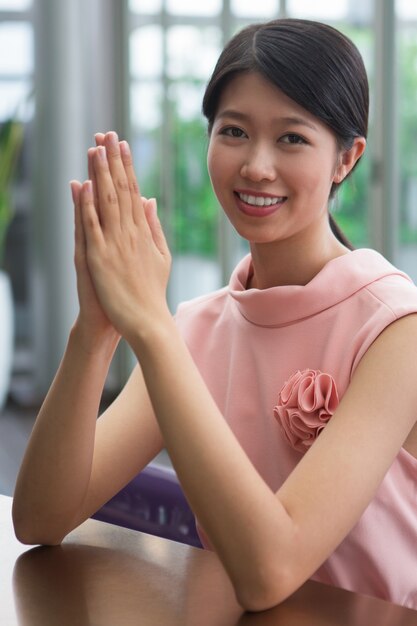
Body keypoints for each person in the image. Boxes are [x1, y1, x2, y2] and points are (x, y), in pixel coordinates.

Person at [12, 18, 417, 611]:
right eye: (233, 131)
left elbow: (268, 572)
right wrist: (96, 330)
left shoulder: (395, 330)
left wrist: (149, 325)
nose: (255, 165)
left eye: (292, 138)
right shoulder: (197, 330)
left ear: (346, 160)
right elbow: (40, 517)